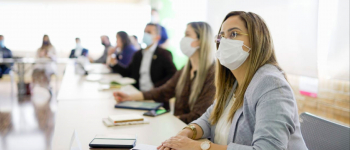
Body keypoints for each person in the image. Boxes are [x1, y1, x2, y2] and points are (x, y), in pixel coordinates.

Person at [158, 11, 308, 150]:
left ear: (257, 40)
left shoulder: (271, 84)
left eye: (234, 34)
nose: (224, 41)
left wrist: (201, 147)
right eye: (221, 36)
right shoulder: (235, 82)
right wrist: (185, 133)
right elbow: (208, 119)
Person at [114, 22, 216, 124]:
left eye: (187, 35)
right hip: (179, 128)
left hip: (191, 133)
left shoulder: (212, 74)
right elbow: (164, 91)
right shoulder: (185, 70)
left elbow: (200, 116)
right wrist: (129, 97)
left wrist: (170, 121)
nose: (183, 39)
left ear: (201, 40)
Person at [110, 23, 176, 92]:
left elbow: (172, 75)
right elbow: (128, 72)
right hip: (138, 93)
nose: (146, 34)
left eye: (149, 32)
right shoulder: (138, 54)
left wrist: (157, 87)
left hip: (156, 94)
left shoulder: (163, 54)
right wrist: (115, 64)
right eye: (145, 32)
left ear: (157, 37)